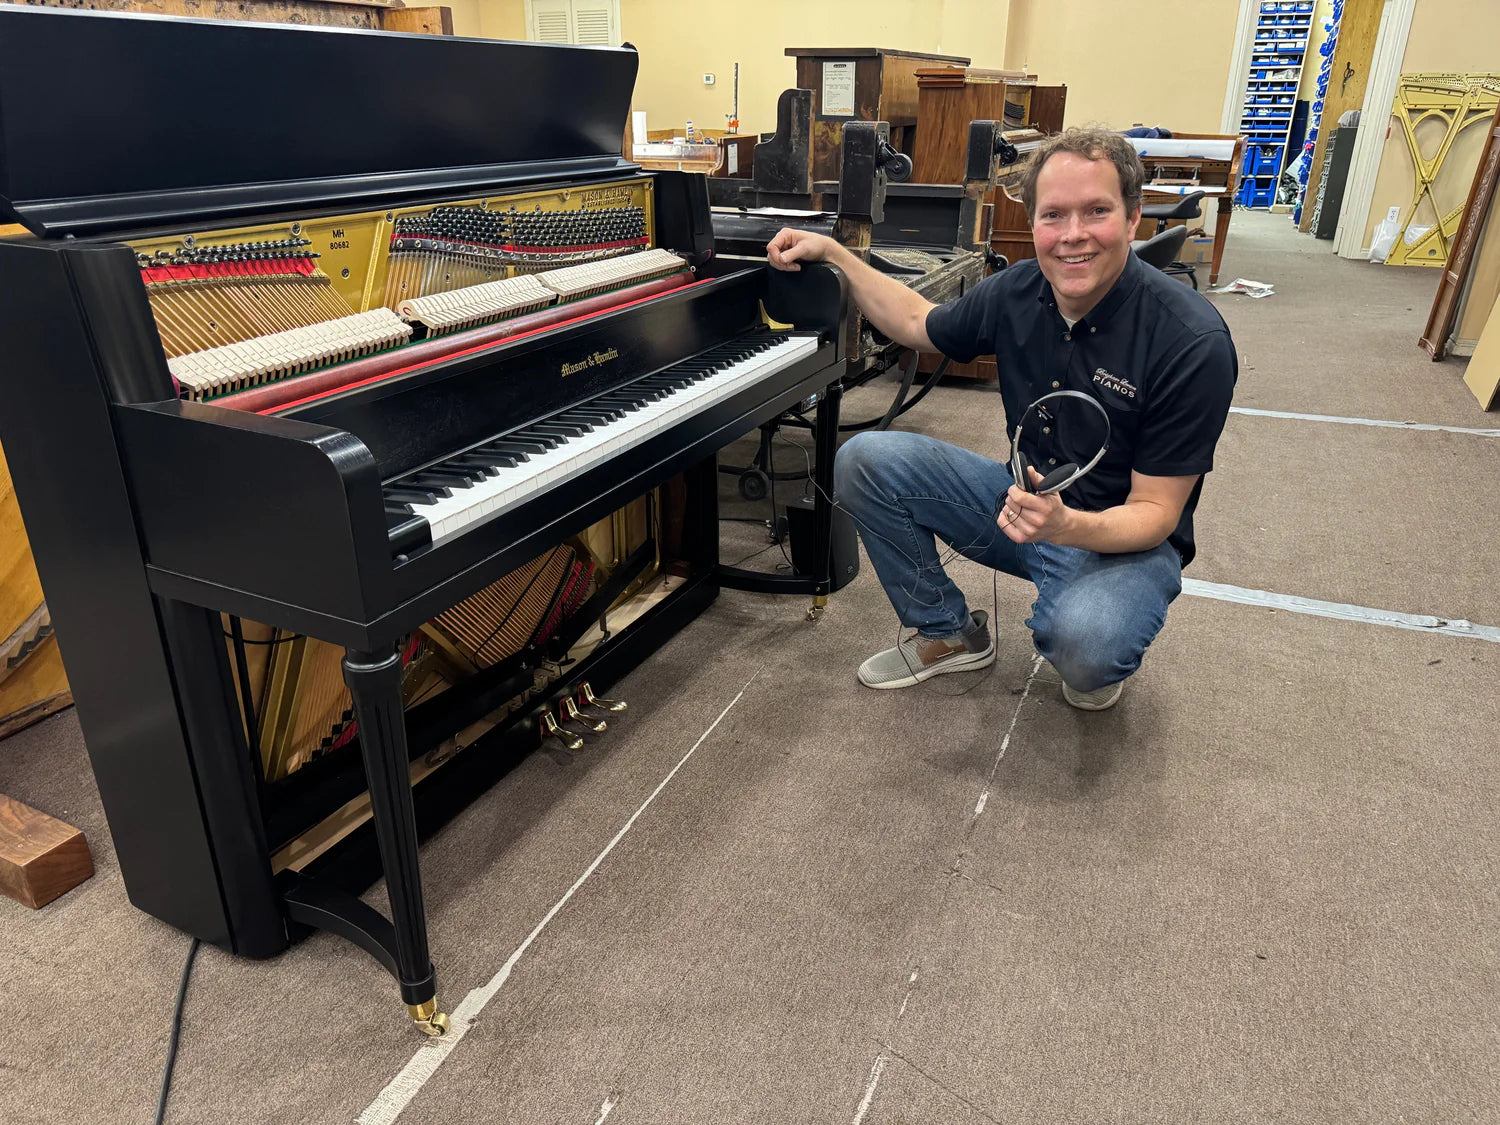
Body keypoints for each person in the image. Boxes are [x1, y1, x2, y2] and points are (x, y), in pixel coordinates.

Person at [765, 127, 1237, 710]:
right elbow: (917, 322)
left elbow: (1155, 515)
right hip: (1027, 505)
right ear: (1032, 221)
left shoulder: (1190, 341)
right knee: (865, 460)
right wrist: (836, 255)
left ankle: (1085, 627)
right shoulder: (1018, 290)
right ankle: (948, 632)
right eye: (1053, 215)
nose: (1072, 236)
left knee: (1087, 650)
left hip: (1125, 541)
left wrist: (1065, 528)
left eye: (1097, 212)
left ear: (1134, 217)